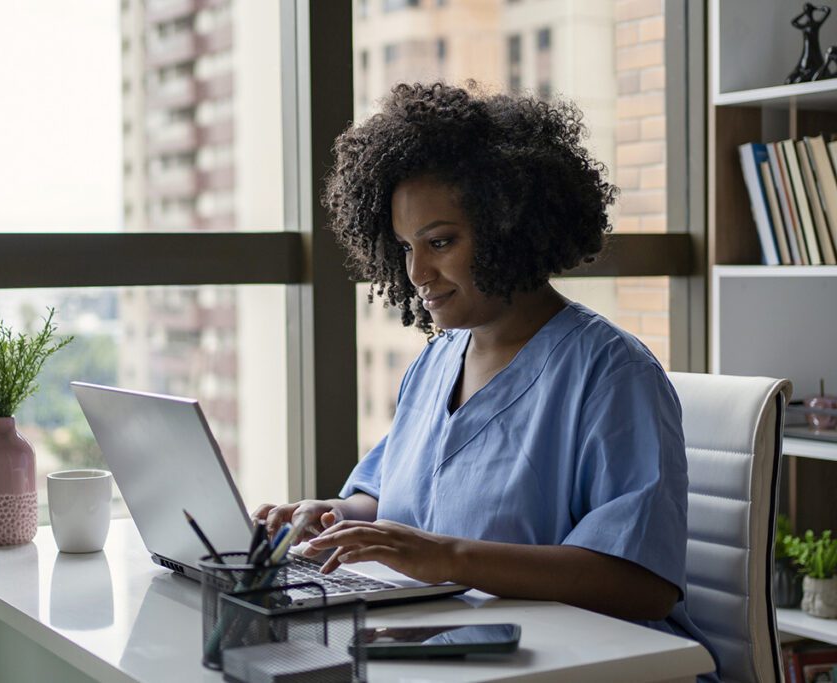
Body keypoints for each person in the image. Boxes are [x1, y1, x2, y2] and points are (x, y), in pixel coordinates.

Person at [253, 81, 719, 681]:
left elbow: (643, 585)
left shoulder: (611, 373)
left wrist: (445, 557)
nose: (418, 272)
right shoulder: (436, 361)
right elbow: (396, 493)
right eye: (404, 247)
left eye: (441, 242)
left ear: (510, 228)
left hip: (594, 666)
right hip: (461, 654)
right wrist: (339, 514)